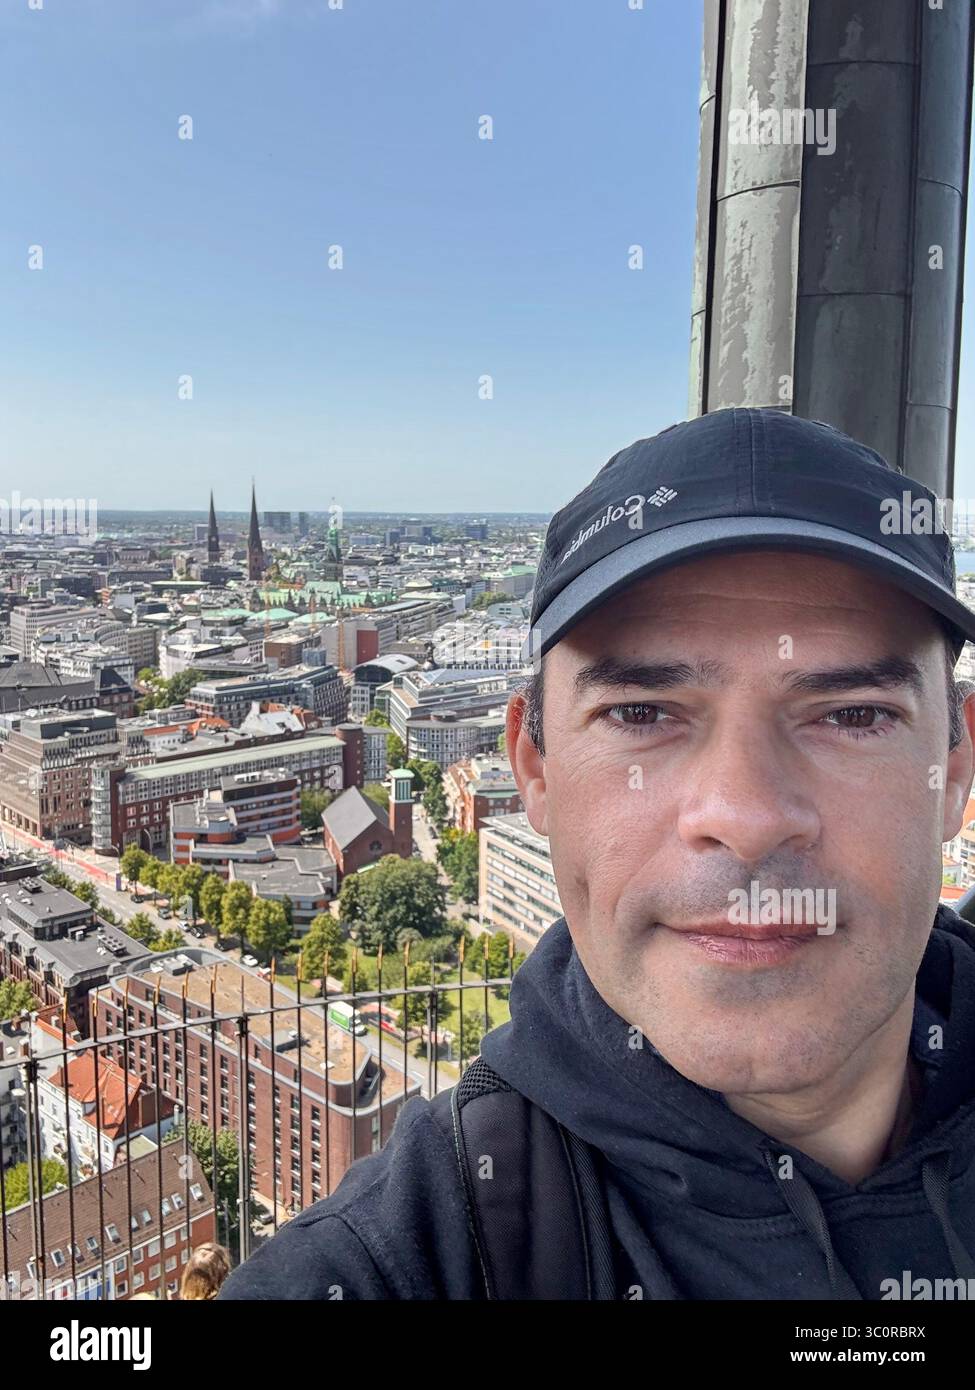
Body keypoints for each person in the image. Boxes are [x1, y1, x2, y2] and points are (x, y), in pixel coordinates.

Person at [219, 407, 975, 1300]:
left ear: (955, 770)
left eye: (851, 715)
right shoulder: (391, 1267)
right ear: (533, 768)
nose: (744, 815)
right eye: (641, 714)